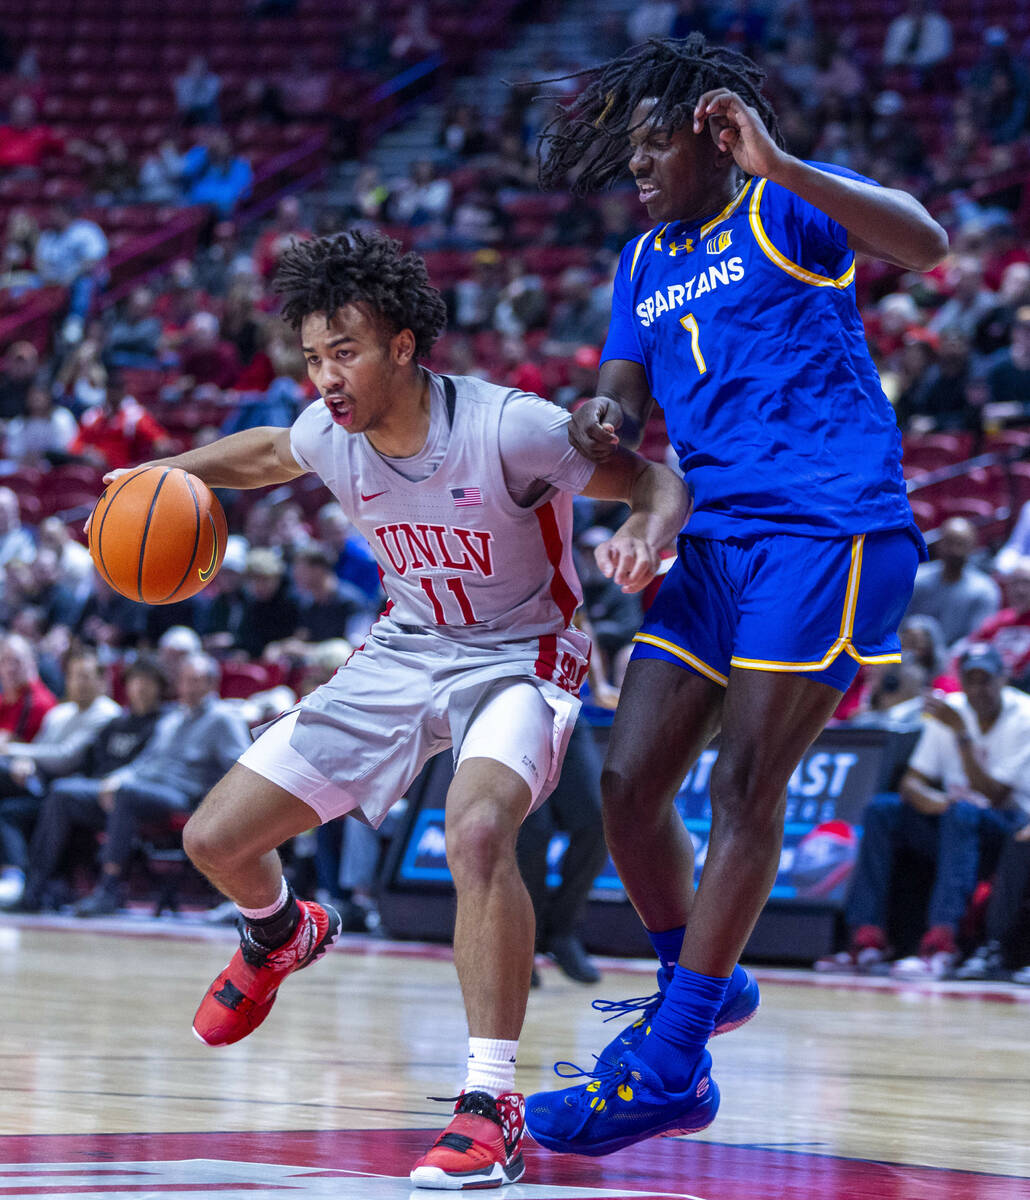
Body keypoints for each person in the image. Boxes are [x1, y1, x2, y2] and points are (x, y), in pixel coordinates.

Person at [96, 228, 687, 1190]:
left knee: (480, 829)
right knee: (215, 841)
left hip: (518, 656)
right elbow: (262, 453)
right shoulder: (332, 429)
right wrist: (168, 476)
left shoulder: (510, 427)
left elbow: (655, 479)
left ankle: (489, 1104)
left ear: (403, 347)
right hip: (404, 650)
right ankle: (281, 930)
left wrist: (647, 534)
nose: (327, 376)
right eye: (316, 355)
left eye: (347, 352)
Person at [524, 33, 948, 1156]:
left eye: (653, 142)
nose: (636, 165)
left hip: (828, 529)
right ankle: (697, 980)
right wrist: (601, 421)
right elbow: (619, 383)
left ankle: (672, 1062)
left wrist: (782, 161)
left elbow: (927, 240)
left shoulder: (782, 210)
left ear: (713, 138)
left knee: (747, 785)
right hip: (712, 543)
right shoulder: (644, 259)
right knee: (624, 783)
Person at [821, 645, 1030, 979]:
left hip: (1007, 826)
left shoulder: (1023, 715)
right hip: (954, 820)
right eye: (971, 680)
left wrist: (962, 737)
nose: (978, 689)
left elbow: (995, 794)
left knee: (961, 814)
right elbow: (911, 783)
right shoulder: (953, 708)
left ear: (1003, 679)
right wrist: (940, 802)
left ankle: (942, 944)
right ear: (960, 680)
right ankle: (867, 939)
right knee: (882, 811)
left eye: (986, 680)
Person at [70, 652, 251, 916]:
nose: (189, 687)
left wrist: (216, 801)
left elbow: (239, 765)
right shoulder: (172, 719)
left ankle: (108, 889)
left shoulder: (223, 719)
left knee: (127, 794)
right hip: (148, 788)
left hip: (187, 795)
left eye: (197, 681)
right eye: (185, 680)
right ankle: (36, 886)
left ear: (212, 684)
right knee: (65, 792)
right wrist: (117, 778)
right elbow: (144, 762)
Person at [13, 657, 168, 913]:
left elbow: (151, 764)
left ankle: (102, 889)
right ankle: (36, 886)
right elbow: (91, 765)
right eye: (135, 681)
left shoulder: (163, 723)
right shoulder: (116, 723)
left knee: (65, 791)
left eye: (147, 682)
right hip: (98, 793)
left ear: (160, 687)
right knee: (58, 793)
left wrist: (117, 780)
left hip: (134, 795)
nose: (140, 687)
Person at [906, 517, 1001, 649]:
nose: (955, 550)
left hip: (959, 662)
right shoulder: (916, 580)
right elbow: (898, 624)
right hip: (913, 655)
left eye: (961, 544)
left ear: (973, 547)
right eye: (950, 542)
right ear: (940, 544)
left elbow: (977, 637)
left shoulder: (984, 590)